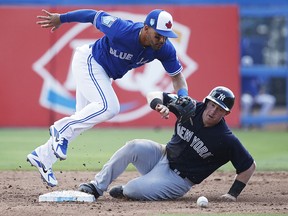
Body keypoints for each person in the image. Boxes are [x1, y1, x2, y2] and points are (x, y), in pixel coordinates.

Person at [27, 8, 188, 187]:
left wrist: (183, 97)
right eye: (159, 35)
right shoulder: (122, 29)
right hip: (89, 60)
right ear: (146, 28)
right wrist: (61, 19)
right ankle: (60, 128)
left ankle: (43, 156)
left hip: (104, 73)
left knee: (83, 118)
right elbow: (92, 16)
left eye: (166, 36)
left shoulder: (163, 49)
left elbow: (177, 77)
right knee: (109, 107)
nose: (163, 40)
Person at [78, 86, 256, 201]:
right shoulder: (190, 107)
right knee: (133, 145)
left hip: (178, 179)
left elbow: (248, 166)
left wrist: (233, 194)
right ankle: (96, 186)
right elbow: (153, 94)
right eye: (212, 105)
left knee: (132, 189)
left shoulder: (226, 139)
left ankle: (128, 190)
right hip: (162, 155)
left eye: (220, 109)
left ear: (226, 113)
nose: (213, 111)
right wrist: (158, 105)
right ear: (207, 101)